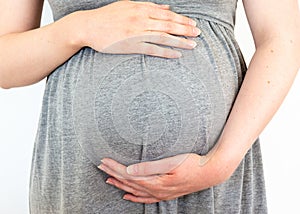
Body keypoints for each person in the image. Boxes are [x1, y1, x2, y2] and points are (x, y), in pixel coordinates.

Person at [0, 0, 299, 213]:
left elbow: (282, 38)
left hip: (213, 184)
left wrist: (220, 163)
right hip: (82, 181)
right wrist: (79, 27)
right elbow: (5, 63)